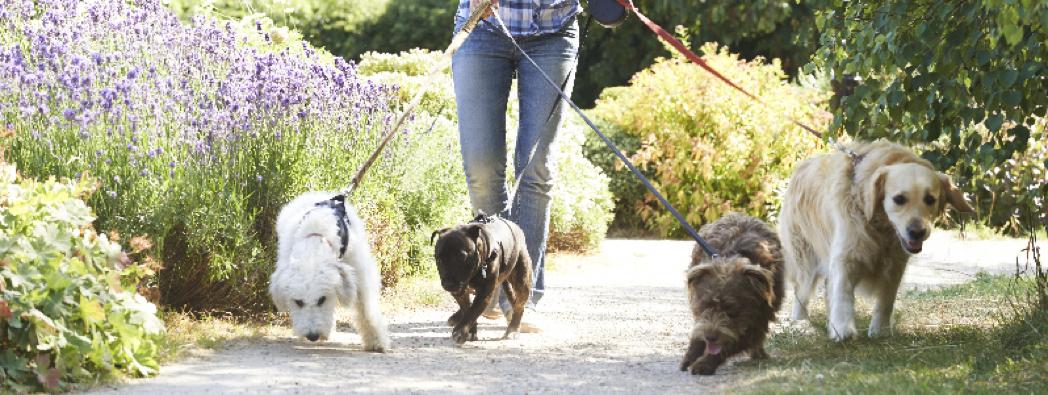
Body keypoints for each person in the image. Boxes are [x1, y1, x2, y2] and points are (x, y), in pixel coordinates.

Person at [452, 0, 581, 332]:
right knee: (481, 166)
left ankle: (521, 297)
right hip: (483, 26)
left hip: (554, 30)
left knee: (536, 167)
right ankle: (491, 284)